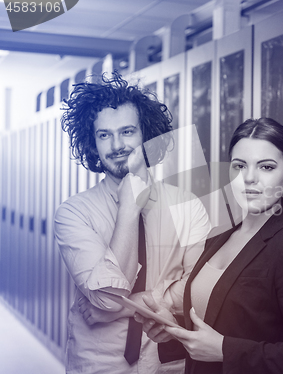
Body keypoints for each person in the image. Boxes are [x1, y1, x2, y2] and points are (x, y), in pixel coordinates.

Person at [138, 118, 283, 374]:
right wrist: (173, 328)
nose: (249, 178)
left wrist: (223, 350)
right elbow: (222, 320)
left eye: (266, 166)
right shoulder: (217, 238)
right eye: (239, 166)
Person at [54, 72, 210, 374]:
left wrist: (136, 301)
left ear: (147, 135)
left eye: (127, 132)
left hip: (168, 364)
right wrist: (129, 205)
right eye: (104, 135)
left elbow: (200, 287)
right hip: (99, 364)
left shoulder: (187, 205)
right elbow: (108, 300)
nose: (116, 145)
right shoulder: (74, 212)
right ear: (93, 143)